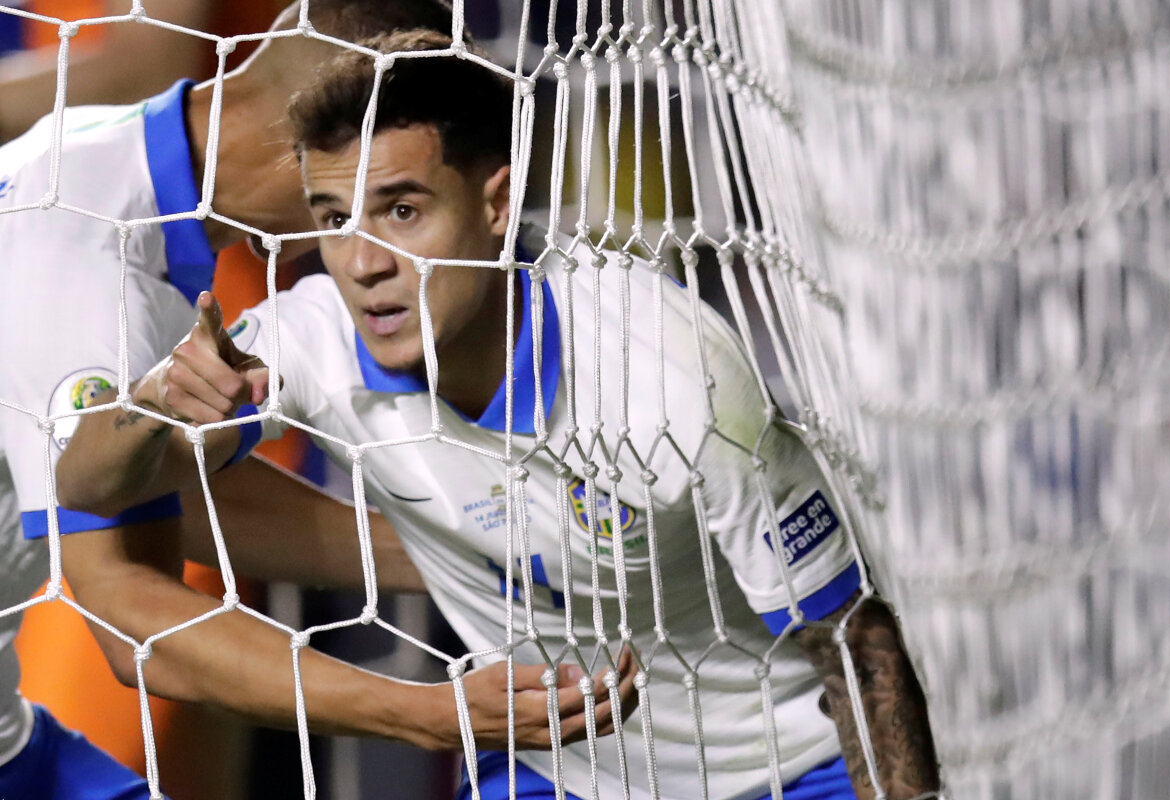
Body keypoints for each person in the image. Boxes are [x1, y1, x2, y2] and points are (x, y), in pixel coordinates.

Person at [60, 28, 940, 800]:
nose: (362, 261)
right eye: (333, 218)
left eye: (402, 210)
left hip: (784, 767)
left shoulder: (666, 374)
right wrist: (152, 405)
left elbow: (854, 641)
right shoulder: (312, 342)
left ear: (495, 204)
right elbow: (89, 487)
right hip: (557, 769)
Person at [0, 5, 632, 799]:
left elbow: (156, 496)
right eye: (402, 197)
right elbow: (135, 623)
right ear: (307, 138)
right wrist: (430, 714)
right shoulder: (82, 254)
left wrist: (483, 549)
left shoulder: (99, 159)